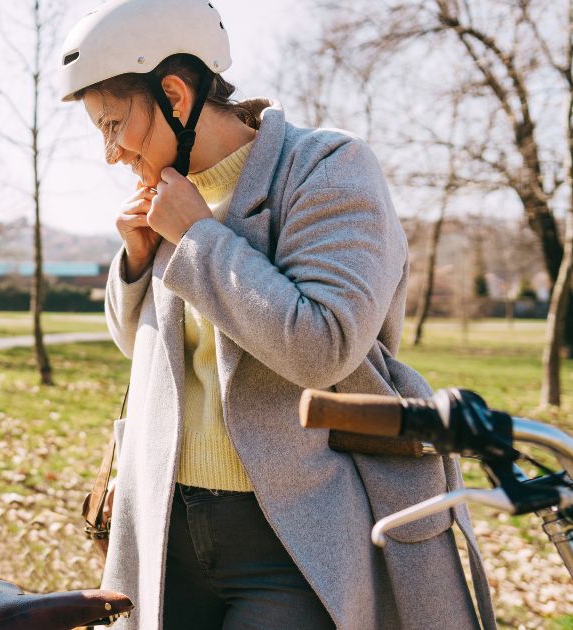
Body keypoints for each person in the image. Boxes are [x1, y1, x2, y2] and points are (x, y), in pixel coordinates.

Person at [56, 1, 495, 628]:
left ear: (174, 95)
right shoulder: (169, 196)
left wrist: (198, 240)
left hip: (294, 539)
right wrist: (136, 259)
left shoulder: (327, 169)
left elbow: (324, 344)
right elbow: (142, 350)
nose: (109, 153)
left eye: (112, 123)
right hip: (163, 533)